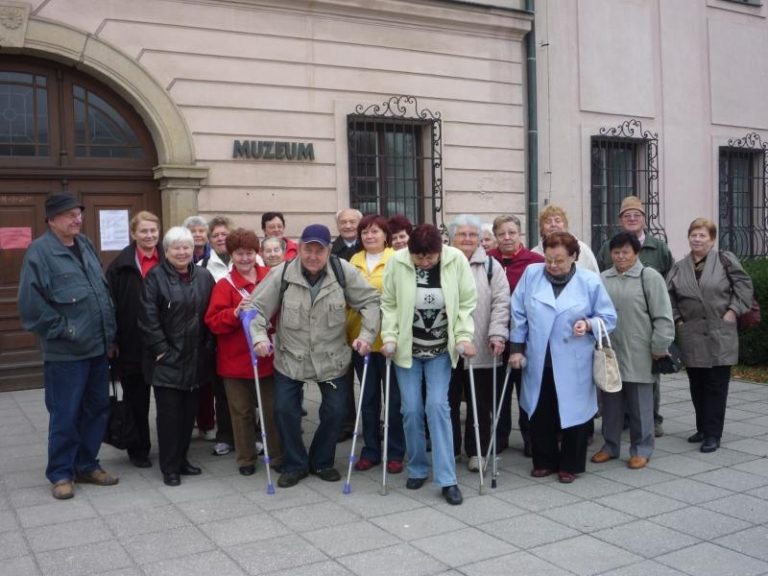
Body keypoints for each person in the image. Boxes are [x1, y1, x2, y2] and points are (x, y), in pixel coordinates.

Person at [246, 224, 380, 488]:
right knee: (284, 411)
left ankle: (322, 461)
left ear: (328, 251)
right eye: (308, 249)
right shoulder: (282, 273)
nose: (313, 256)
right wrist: (260, 338)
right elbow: (256, 308)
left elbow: (370, 301)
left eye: (320, 250)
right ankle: (295, 464)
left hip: (331, 358)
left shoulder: (343, 271)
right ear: (299, 248)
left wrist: (366, 334)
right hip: (290, 357)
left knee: (335, 412)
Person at [18, 192, 119, 500]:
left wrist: (109, 336)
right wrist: (66, 330)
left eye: (79, 213)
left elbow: (99, 293)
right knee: (65, 413)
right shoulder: (39, 252)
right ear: (51, 220)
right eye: (69, 215)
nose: (77, 219)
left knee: (97, 409)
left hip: (97, 349)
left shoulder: (85, 245)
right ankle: (61, 472)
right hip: (66, 352)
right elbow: (31, 306)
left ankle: (86, 464)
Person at [509, 231, 616, 483]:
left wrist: (589, 325)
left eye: (559, 260)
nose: (552, 266)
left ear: (574, 257)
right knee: (540, 409)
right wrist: (516, 349)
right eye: (548, 259)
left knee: (573, 412)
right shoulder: (532, 275)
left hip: (573, 358)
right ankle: (544, 460)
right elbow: (518, 312)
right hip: (539, 358)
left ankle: (571, 464)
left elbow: (609, 318)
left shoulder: (589, 281)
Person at [381, 224, 477, 505]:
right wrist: (389, 336)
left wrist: (463, 336)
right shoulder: (397, 262)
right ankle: (418, 467)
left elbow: (466, 302)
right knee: (410, 410)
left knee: (438, 407)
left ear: (440, 251)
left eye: (429, 257)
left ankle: (447, 478)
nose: (424, 262)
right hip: (407, 349)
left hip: (439, 351)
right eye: (419, 258)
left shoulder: (456, 259)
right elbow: (388, 302)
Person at [667, 218, 754, 454]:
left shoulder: (724, 260)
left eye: (702, 235)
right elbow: (669, 296)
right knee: (697, 384)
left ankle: (713, 434)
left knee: (716, 385)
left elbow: (744, 286)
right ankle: (702, 428)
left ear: (712, 239)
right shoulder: (679, 266)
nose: (697, 239)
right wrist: (678, 320)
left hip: (720, 331)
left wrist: (733, 311)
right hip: (691, 333)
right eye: (693, 235)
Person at [138, 226, 215, 487]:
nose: (182, 252)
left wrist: (208, 347)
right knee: (170, 418)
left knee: (187, 416)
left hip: (195, 359)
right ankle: (169, 467)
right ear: (166, 251)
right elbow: (148, 319)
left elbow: (210, 316)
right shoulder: (155, 278)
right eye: (176, 248)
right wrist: (162, 351)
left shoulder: (204, 277)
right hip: (167, 361)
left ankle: (182, 460)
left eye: (187, 247)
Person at [593, 232, 674, 469]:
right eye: (616, 252)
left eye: (625, 252)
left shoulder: (648, 277)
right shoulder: (602, 278)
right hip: (610, 351)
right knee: (611, 404)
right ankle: (610, 445)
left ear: (636, 253)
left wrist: (660, 346)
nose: (620, 256)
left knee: (640, 404)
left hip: (641, 350)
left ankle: (642, 447)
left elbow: (663, 315)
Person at [205, 228, 282, 475]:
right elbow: (213, 322)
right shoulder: (224, 285)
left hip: (267, 357)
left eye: (249, 253)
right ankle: (246, 458)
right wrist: (234, 313)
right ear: (232, 255)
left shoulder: (270, 277)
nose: (245, 258)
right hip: (235, 361)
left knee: (272, 411)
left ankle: (277, 455)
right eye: (239, 253)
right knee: (241, 413)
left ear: (256, 253)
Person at [447, 215, 509, 472]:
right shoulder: (444, 263)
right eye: (462, 234)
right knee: (447, 402)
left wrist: (497, 334)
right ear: (452, 237)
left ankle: (478, 451)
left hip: (482, 346)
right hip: (448, 348)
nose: (468, 239)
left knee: (480, 403)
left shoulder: (491, 266)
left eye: (473, 235)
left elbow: (501, 302)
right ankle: (449, 450)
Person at [347, 215, 405, 473]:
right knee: (368, 399)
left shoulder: (397, 258)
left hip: (390, 342)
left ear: (385, 235)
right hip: (361, 341)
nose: (369, 236)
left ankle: (394, 451)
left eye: (374, 232)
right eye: (365, 232)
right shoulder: (353, 261)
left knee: (393, 400)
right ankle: (370, 450)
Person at [106, 210, 163, 469]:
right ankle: (138, 449)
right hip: (131, 344)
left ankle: (172, 448)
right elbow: (111, 306)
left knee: (168, 401)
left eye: (153, 231)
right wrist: (112, 339)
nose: (149, 235)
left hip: (164, 343)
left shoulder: (169, 259)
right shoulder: (120, 266)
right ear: (133, 234)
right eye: (144, 231)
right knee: (136, 400)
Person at [487, 214, 543, 456]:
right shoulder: (488, 261)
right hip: (496, 337)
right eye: (501, 234)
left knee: (526, 390)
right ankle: (500, 437)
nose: (507, 237)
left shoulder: (535, 262)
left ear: (519, 234)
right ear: (495, 237)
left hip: (527, 338)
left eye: (511, 232)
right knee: (498, 389)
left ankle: (531, 437)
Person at [198, 216, 236, 456]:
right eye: (216, 235)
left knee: (249, 391)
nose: (221, 238)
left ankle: (251, 433)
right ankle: (225, 436)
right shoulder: (203, 266)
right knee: (221, 390)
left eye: (225, 234)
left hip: (244, 335)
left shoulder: (249, 259)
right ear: (210, 240)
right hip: (217, 336)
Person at [332, 208, 363, 443]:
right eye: (344, 222)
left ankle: (374, 420)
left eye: (353, 221)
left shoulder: (370, 245)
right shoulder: (331, 251)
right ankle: (345, 423)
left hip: (364, 323)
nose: (349, 225)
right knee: (342, 377)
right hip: (339, 322)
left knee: (368, 379)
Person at [532, 204, 599, 273]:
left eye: (557, 221)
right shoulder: (534, 254)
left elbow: (595, 278)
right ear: (542, 228)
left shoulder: (582, 249)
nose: (553, 225)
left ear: (565, 225)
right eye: (548, 222)